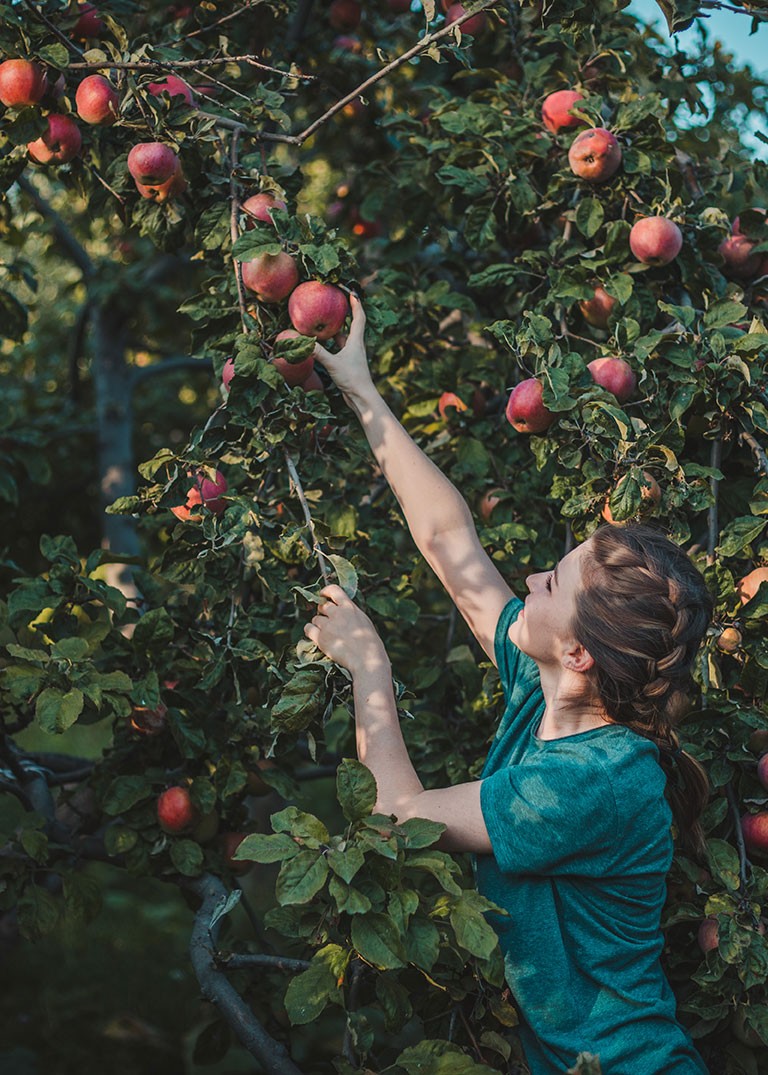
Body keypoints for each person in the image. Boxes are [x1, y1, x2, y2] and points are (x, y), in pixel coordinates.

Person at [303, 295, 713, 1075]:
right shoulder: (544, 685)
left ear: (583, 654)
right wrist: (358, 384)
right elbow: (449, 541)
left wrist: (370, 669)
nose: (528, 577)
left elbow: (396, 817)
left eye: (552, 583)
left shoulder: (594, 782)